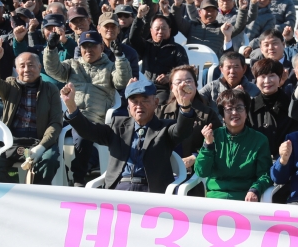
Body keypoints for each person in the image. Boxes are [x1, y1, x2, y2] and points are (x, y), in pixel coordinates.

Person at [60, 80, 197, 192]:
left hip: (151, 191)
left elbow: (182, 130)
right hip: (119, 188)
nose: (139, 106)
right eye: (134, 101)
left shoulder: (164, 128)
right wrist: (71, 106)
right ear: (128, 106)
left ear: (155, 103)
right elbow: (89, 131)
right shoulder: (117, 126)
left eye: (145, 100)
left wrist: (185, 106)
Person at [44, 29, 132, 186]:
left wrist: (119, 57)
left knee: (83, 134)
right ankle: (54, 171)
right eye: (85, 46)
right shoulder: (73, 64)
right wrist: (51, 48)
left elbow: (122, 82)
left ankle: (78, 178)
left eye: (93, 46)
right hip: (67, 114)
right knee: (47, 129)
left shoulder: (110, 66)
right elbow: (53, 69)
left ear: (101, 48)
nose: (88, 50)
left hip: (93, 117)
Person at [0, 45, 62, 185]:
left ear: (39, 68)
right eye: (22, 66)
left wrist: (42, 147)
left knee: (49, 160)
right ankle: (14, 195)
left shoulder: (50, 89)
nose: (27, 69)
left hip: (38, 140)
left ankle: (37, 195)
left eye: (31, 65)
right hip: (12, 141)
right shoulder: (10, 85)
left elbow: (55, 122)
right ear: (16, 69)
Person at [195, 88, 273, 201]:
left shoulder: (259, 140)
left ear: (246, 113)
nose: (234, 112)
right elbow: (201, 172)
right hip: (215, 197)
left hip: (244, 199)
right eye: (229, 109)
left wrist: (255, 189)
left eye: (239, 108)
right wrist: (208, 145)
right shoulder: (213, 136)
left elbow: (265, 174)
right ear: (222, 115)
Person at [156, 65, 222, 175]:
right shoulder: (160, 112)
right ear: (172, 87)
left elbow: (219, 143)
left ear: (196, 85)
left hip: (195, 172)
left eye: (188, 81)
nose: (183, 85)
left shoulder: (207, 114)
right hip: (164, 170)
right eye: (178, 82)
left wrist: (195, 156)